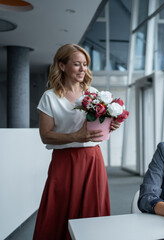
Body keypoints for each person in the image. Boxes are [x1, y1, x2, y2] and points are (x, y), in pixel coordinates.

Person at [33, 43, 120, 240]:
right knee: (59, 210)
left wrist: (110, 126)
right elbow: (45, 135)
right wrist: (75, 137)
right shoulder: (50, 97)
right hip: (64, 161)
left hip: (92, 159)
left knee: (93, 209)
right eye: (77, 64)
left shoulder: (94, 94)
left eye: (85, 64)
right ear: (62, 66)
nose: (83, 69)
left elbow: (96, 128)